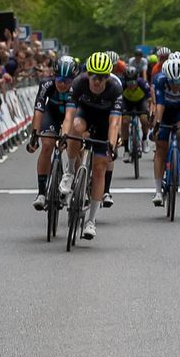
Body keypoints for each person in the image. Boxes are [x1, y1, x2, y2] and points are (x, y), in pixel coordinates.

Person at [58, 52, 122, 242]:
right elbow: (69, 116)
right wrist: (64, 135)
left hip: (104, 121)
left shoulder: (115, 88)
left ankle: (91, 221)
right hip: (84, 115)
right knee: (75, 128)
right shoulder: (79, 83)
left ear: (108, 77)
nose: (97, 80)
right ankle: (69, 172)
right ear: (88, 74)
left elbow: (115, 123)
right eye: (94, 75)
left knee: (100, 167)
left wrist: (111, 144)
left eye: (102, 77)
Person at [25, 55, 77, 210]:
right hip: (52, 114)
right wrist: (34, 135)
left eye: (67, 81)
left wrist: (65, 137)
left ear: (72, 80)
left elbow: (69, 117)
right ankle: (41, 192)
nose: (62, 84)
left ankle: (76, 184)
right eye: (59, 79)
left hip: (71, 115)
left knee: (75, 146)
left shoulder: (76, 89)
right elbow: (39, 111)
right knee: (47, 144)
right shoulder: (46, 85)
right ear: (54, 76)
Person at [149, 56, 180, 207]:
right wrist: (157, 124)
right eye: (173, 82)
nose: (176, 85)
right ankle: (158, 191)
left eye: (179, 82)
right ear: (167, 78)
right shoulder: (160, 80)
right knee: (160, 149)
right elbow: (159, 106)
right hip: (165, 111)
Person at [119, 65, 152, 160]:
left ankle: (144, 139)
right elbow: (117, 98)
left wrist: (149, 111)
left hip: (140, 102)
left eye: (133, 82)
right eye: (129, 82)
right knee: (125, 122)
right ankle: (126, 150)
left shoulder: (143, 83)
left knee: (144, 119)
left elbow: (150, 99)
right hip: (127, 102)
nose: (131, 85)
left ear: (137, 80)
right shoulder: (122, 85)